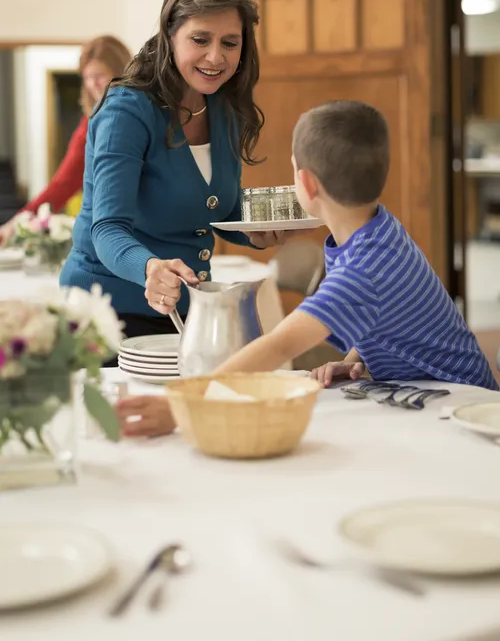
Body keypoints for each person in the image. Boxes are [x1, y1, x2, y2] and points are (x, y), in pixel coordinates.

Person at [117, 99, 498, 437]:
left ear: (306, 184)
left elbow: (279, 344)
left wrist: (182, 408)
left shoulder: (363, 268)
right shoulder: (377, 229)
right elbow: (395, 319)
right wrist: (356, 359)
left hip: (463, 409)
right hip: (437, 392)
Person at [60, 0, 288, 346]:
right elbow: (107, 229)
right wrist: (149, 267)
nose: (216, 57)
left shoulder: (224, 108)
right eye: (200, 39)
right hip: (104, 313)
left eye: (230, 43)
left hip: (182, 308)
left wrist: (257, 232)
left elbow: (218, 210)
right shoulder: (126, 111)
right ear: (169, 35)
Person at [0, 35, 131, 244]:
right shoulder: (91, 123)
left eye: (99, 75)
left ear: (121, 74)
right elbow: (64, 182)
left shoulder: (143, 113)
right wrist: (18, 223)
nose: (93, 84)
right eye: (87, 77)